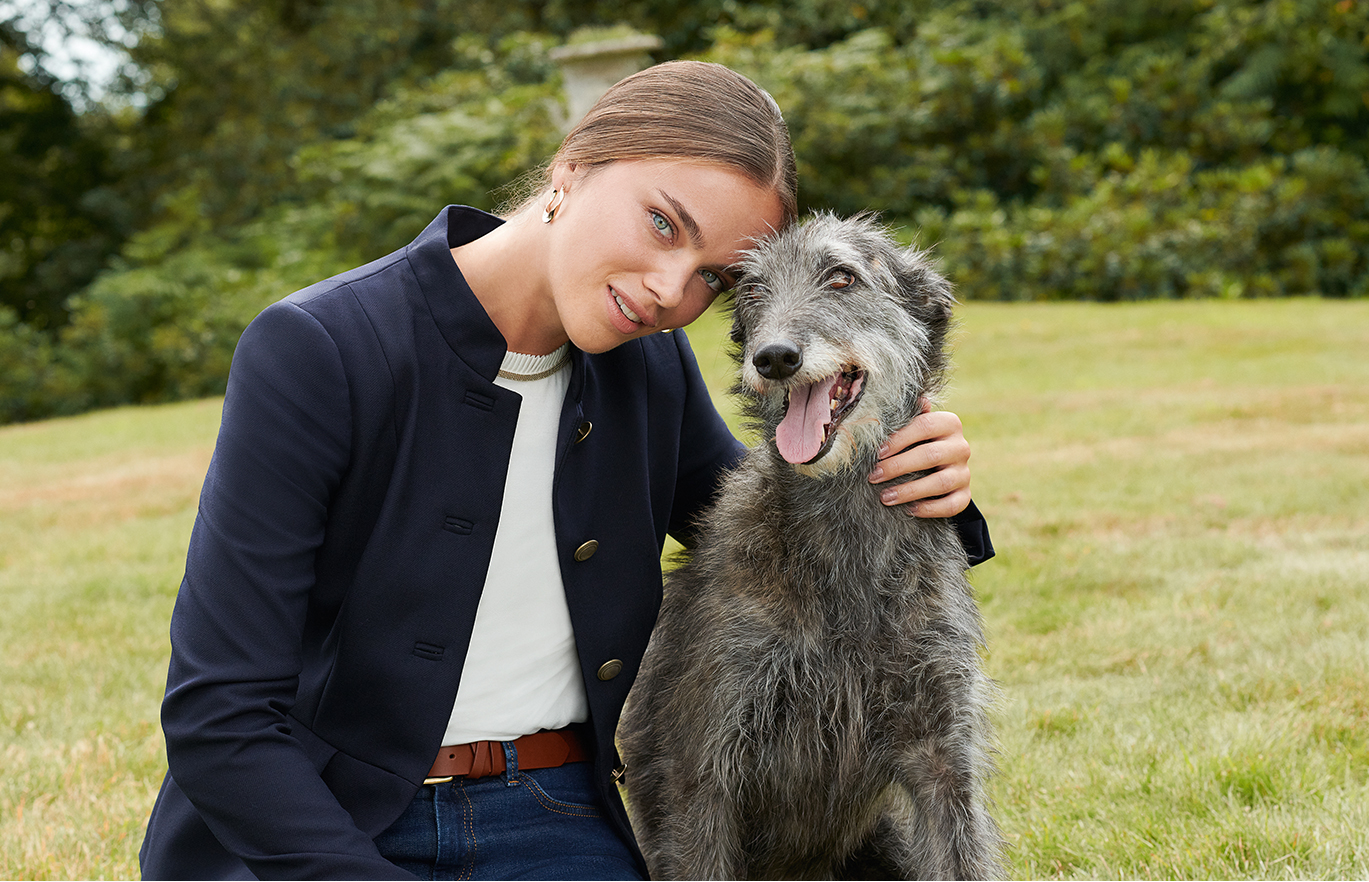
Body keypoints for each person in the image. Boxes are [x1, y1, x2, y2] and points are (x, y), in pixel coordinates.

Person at [139, 60, 991, 880]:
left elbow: (781, 531)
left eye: (710, 277)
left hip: (547, 818)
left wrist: (927, 477)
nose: (667, 291)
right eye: (662, 222)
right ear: (571, 168)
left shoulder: (649, 371)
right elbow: (220, 717)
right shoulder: (320, 348)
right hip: (316, 828)